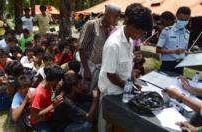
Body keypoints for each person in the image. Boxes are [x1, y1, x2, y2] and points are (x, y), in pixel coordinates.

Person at [98, 4, 153, 132]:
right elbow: (110, 75)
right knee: (106, 124)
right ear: (130, 24)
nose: (140, 36)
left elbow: (126, 66)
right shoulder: (113, 44)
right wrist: (128, 87)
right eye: (140, 32)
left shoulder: (130, 39)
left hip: (122, 89)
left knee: (120, 124)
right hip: (111, 92)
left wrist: (133, 79)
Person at [79, 3, 121, 91]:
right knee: (84, 90)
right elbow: (81, 48)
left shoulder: (112, 29)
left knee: (94, 92)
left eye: (118, 16)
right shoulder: (92, 25)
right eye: (115, 16)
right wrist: (86, 70)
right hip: (89, 66)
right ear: (106, 14)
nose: (117, 19)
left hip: (101, 68)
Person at [156, 7, 191, 75]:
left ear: (189, 19)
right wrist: (174, 51)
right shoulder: (167, 31)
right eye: (181, 19)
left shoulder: (187, 33)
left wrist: (187, 52)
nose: (183, 21)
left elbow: (184, 50)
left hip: (180, 65)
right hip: (168, 65)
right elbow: (158, 50)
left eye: (186, 20)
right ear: (176, 17)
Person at [30, 65, 64, 132]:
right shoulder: (38, 94)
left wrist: (56, 94)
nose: (60, 82)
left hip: (48, 116)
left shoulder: (49, 85)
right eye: (59, 81)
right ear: (54, 80)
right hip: (39, 122)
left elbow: (50, 99)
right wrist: (53, 106)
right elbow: (34, 116)